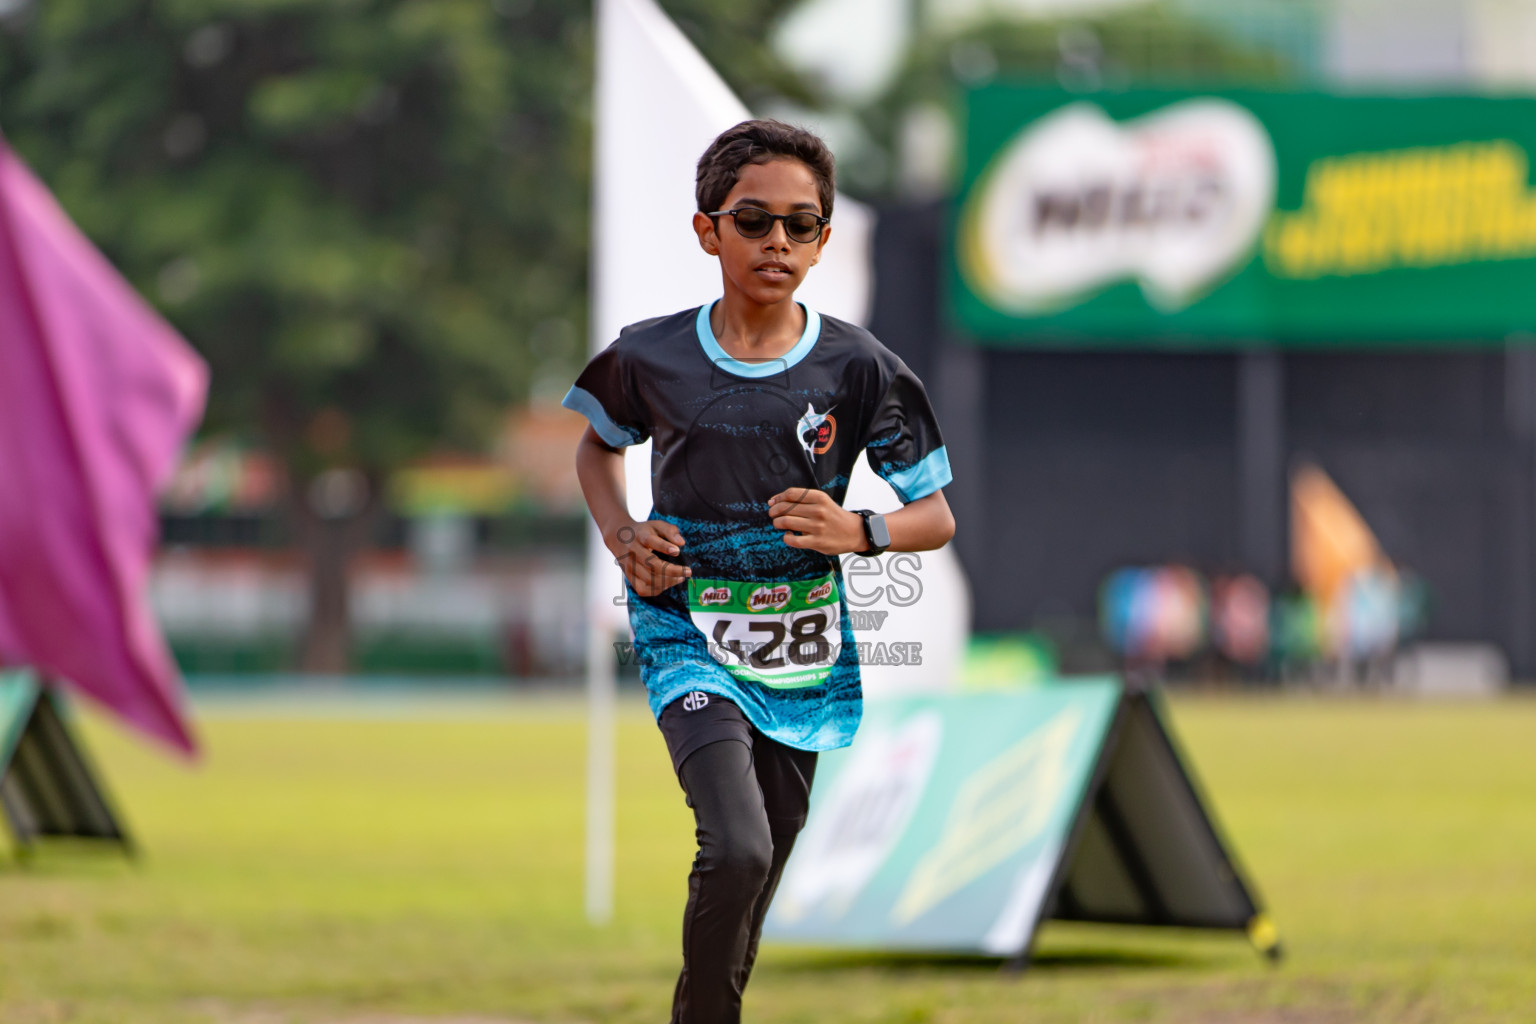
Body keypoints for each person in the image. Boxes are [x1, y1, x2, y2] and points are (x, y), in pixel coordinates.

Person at [564, 119, 955, 1024]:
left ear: (821, 240)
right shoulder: (649, 354)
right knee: (735, 847)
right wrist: (624, 535)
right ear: (708, 230)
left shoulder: (859, 367)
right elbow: (596, 450)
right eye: (753, 221)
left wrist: (860, 528)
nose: (776, 241)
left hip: (802, 644)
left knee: (763, 861)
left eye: (800, 224)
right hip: (683, 625)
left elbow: (933, 515)